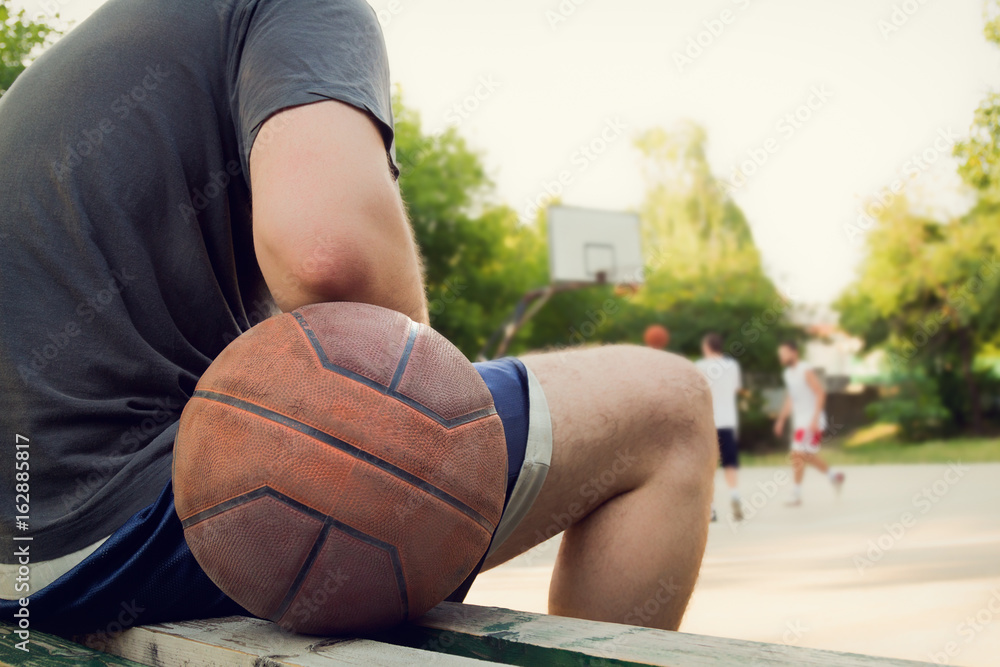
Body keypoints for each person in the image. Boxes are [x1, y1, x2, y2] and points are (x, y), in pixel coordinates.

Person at [0, 0, 716, 635]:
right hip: (115, 536)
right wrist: (429, 397)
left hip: (21, 556)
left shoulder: (86, 64)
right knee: (670, 407)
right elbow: (327, 254)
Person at [773, 341, 844, 506]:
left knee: (797, 454)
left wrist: (815, 419)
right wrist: (781, 420)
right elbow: (791, 398)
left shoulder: (805, 369)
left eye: (783, 353)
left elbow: (820, 393)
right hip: (800, 421)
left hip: (812, 421)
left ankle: (796, 494)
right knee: (806, 455)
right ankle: (835, 476)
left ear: (794, 353)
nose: (781, 357)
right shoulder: (788, 374)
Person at [694, 333, 744, 522]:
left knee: (709, 466)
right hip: (728, 421)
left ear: (707, 347)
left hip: (708, 423)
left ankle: (712, 509)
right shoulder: (732, 366)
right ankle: (734, 496)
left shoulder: (699, 366)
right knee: (730, 463)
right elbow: (735, 389)